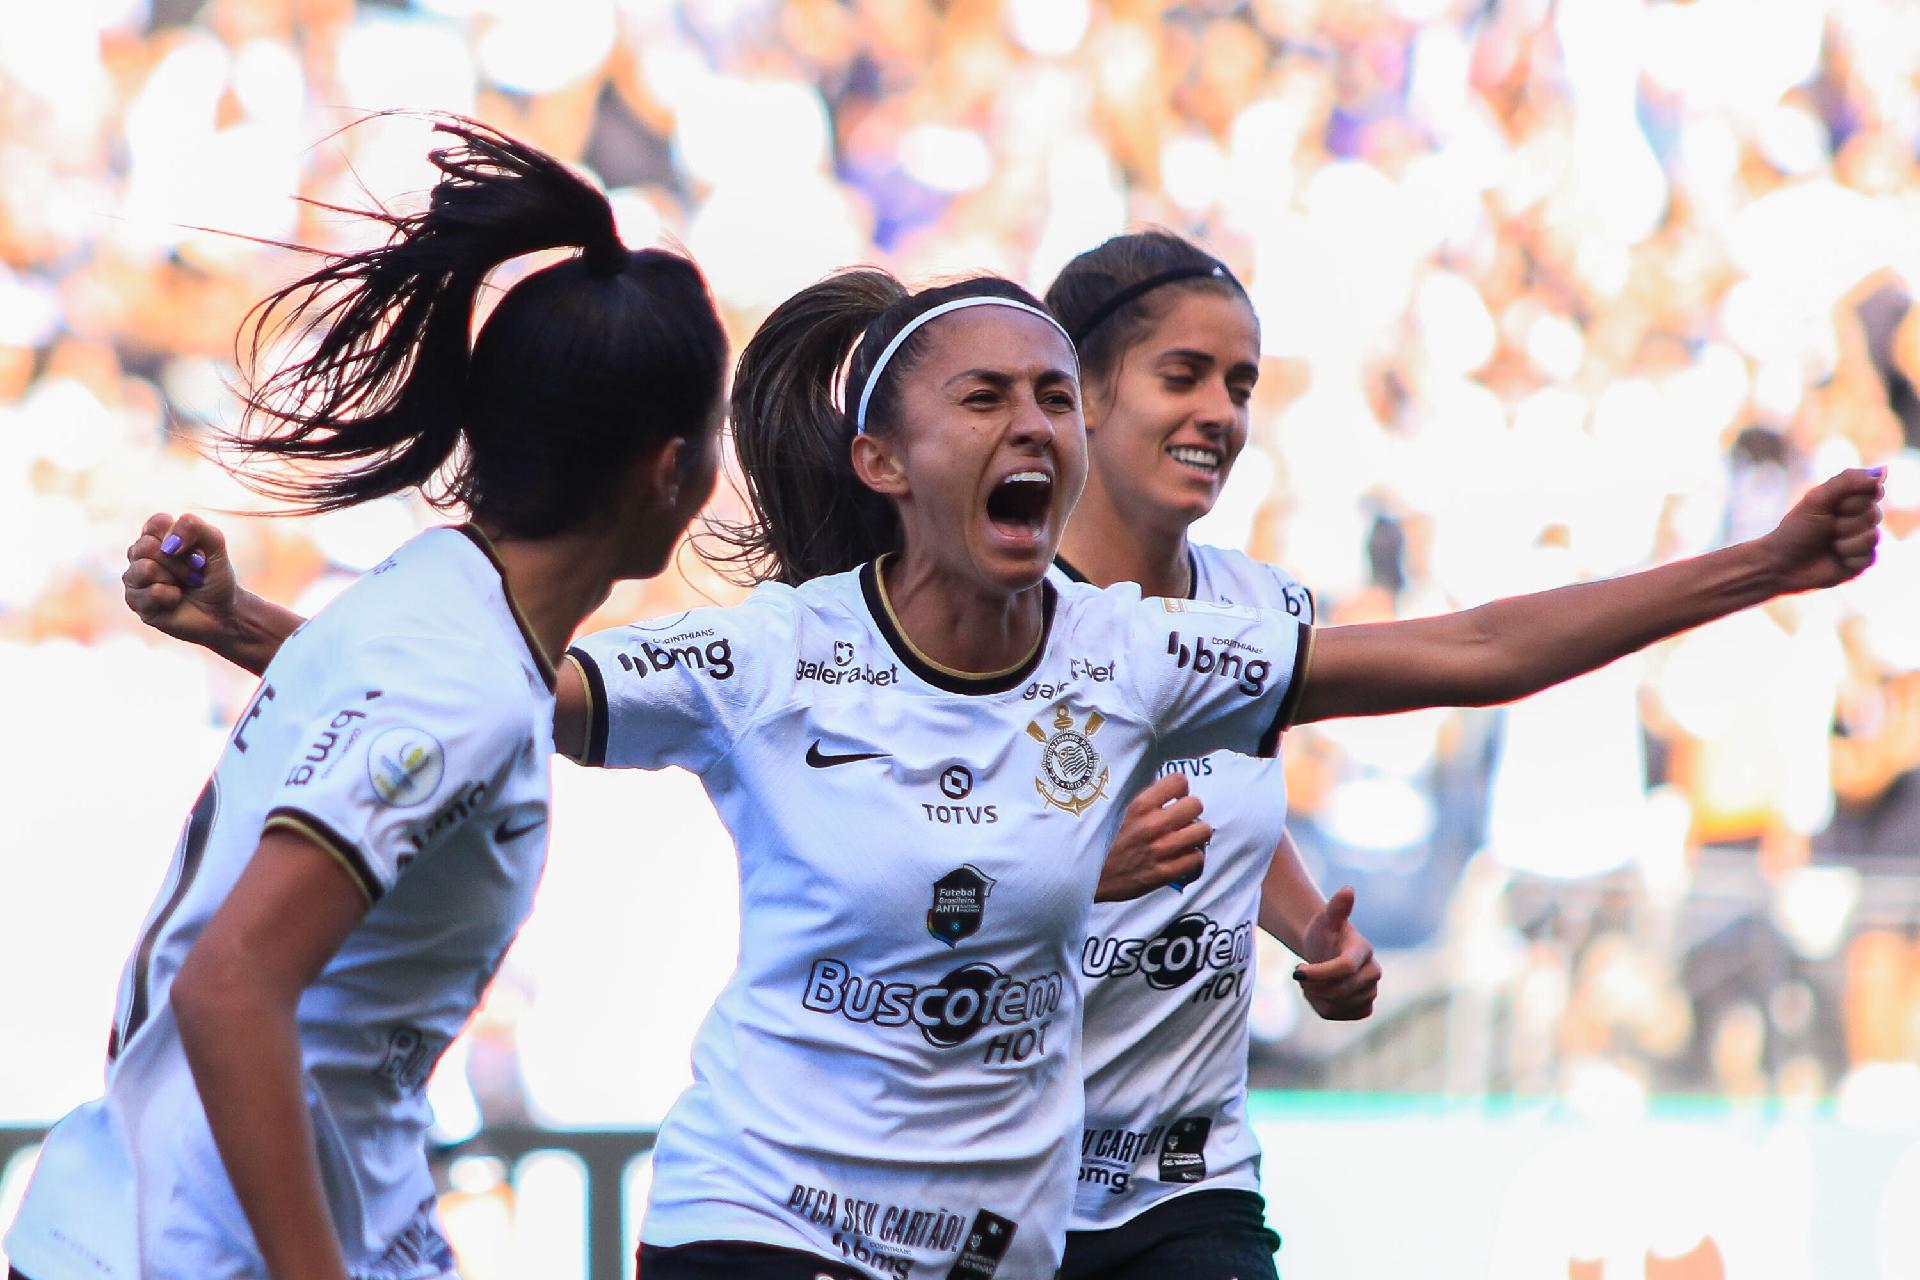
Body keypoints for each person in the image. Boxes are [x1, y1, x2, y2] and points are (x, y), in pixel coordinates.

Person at [124, 264, 1882, 1280]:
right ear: (882, 459)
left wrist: (1763, 567)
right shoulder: (768, 656)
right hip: (765, 1229)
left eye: (1055, 394)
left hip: (1009, 1247)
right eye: (990, 398)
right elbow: (500, 696)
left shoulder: (1143, 661)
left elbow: (1477, 651)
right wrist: (253, 625)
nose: (1036, 422)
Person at [5, 118, 729, 1280]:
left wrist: (240, 625)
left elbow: (395, 712)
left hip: (166, 1223)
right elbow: (231, 982)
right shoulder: (466, 683)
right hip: (199, 1254)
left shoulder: (429, 591)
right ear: (670, 470)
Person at [1041, 230, 1373, 1280]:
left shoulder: (1268, 606)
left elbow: (1235, 814)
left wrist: (1308, 929)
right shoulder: (986, 614)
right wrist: (1084, 869)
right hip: (990, 1179)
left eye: (1239, 385)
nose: (1220, 414)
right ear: (1081, 391)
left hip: (1191, 1183)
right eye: (1181, 375)